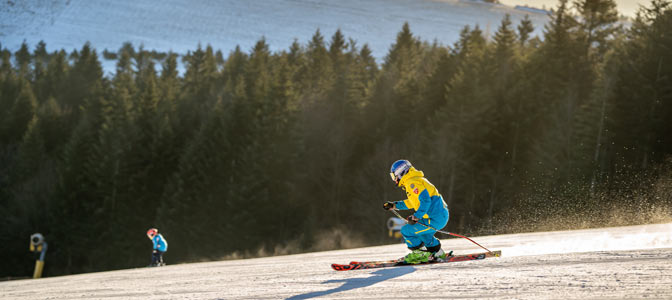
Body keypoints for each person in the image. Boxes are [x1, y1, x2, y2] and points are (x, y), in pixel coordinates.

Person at [383, 159, 451, 264]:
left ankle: (420, 254)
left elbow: (425, 200)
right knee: (423, 234)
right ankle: (437, 252)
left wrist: (416, 216)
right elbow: (412, 202)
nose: (394, 180)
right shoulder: (414, 180)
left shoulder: (412, 183)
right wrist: (395, 205)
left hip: (435, 218)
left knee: (407, 230)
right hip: (439, 216)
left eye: (394, 176)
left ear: (400, 173)